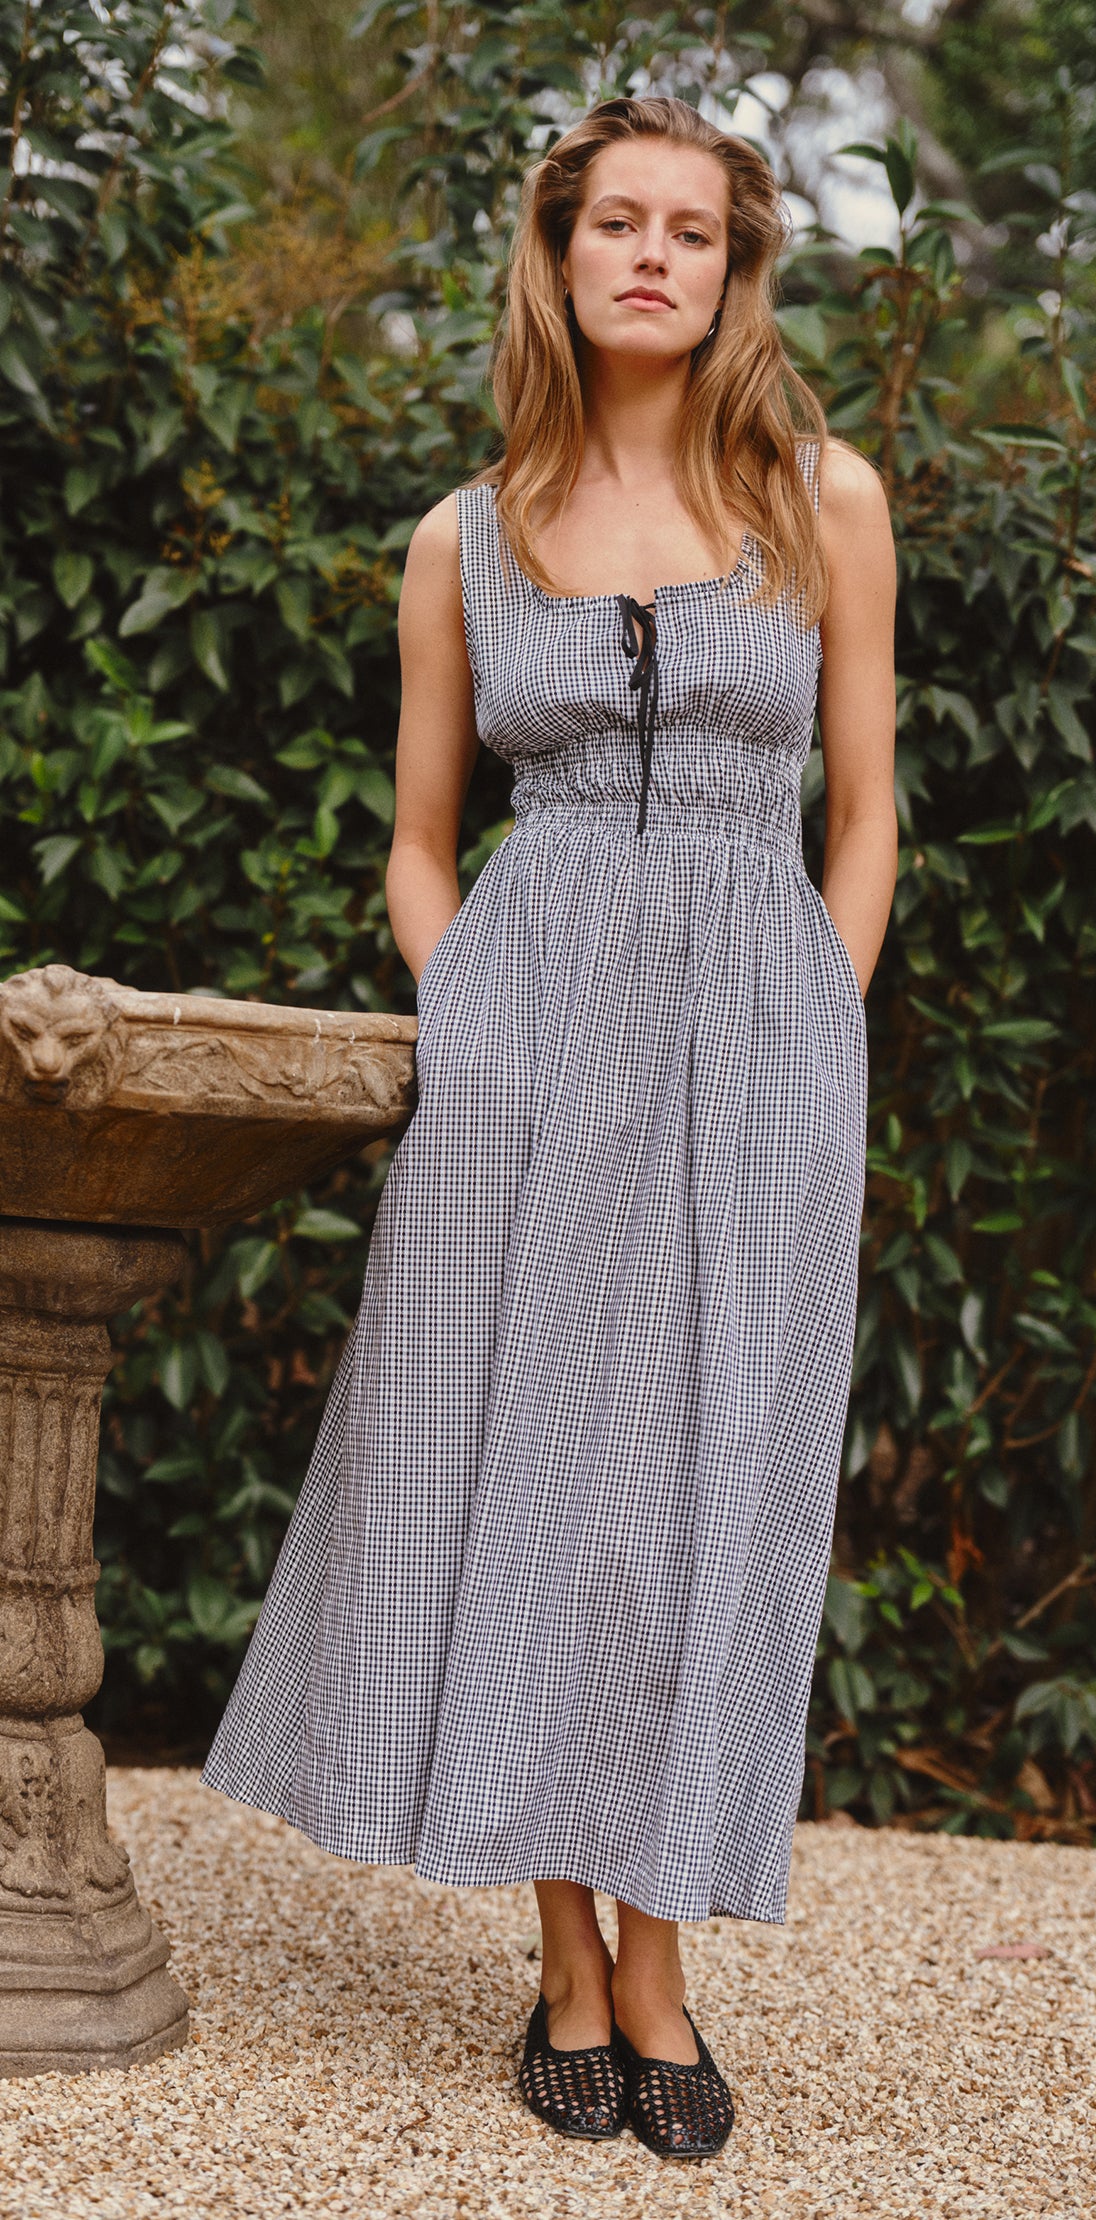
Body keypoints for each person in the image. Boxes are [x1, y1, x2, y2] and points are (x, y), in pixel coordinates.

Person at [197, 96, 897, 2162]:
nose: (655, 257)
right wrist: (470, 1024)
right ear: (561, 254)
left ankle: (656, 1961)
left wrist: (817, 1020)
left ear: (735, 262)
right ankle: (571, 1964)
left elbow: (864, 813)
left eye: (692, 227)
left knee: (696, 1504)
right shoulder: (467, 531)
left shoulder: (824, 498)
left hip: (760, 1058)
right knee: (531, 1498)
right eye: (619, 224)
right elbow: (424, 846)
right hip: (529, 1065)